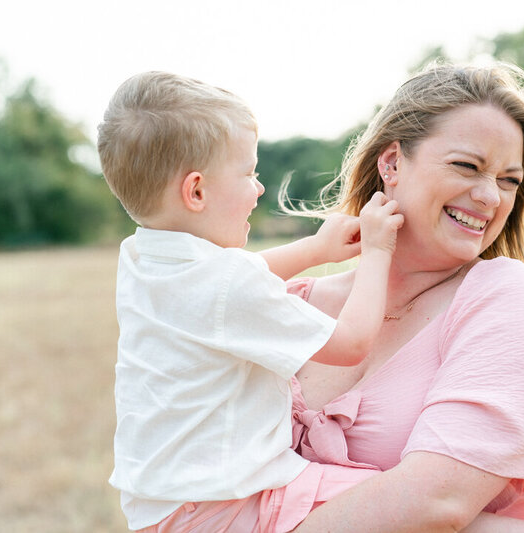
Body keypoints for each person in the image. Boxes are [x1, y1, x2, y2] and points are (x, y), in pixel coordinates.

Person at [275, 62, 524, 532]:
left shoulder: (508, 300)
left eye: (510, 180)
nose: (490, 196)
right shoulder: (287, 300)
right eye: (467, 166)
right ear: (392, 163)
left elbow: (435, 503)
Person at [97, 71, 404, 532]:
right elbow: (351, 343)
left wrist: (316, 251)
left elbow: (235, 282)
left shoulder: (143, 257)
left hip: (162, 508)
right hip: (226, 504)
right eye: (249, 173)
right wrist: (379, 251)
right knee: (396, 505)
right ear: (196, 191)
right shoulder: (224, 285)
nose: (259, 187)